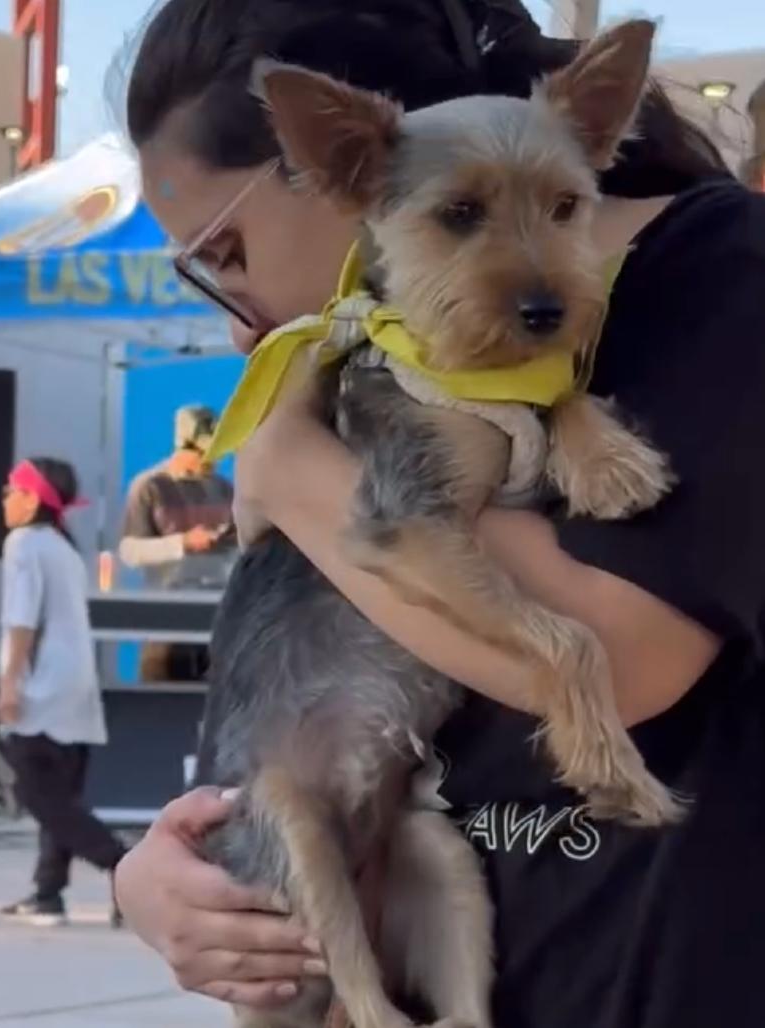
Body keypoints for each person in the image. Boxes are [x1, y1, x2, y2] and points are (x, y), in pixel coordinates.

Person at [111, 2, 765, 1026]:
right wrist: (164, 885)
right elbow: (292, 711)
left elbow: (629, 654)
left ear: (337, 155)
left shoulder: (720, 286)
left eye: (224, 253)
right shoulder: (368, 367)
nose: (236, 325)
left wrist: (292, 467)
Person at [0, 457, 127, 927]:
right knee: (62, 795)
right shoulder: (64, 548)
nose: (5, 498)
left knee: (36, 792)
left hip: (44, 687)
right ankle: (48, 891)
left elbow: (21, 618)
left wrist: (10, 682)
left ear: (32, 498)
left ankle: (121, 864)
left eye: (11, 490)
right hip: (77, 687)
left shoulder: (25, 543)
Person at [119, 404, 237, 682]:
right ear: (183, 446)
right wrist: (182, 543)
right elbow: (130, 551)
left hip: (216, 623)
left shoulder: (223, 488)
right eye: (207, 451)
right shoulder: (150, 487)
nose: (214, 459)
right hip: (166, 626)